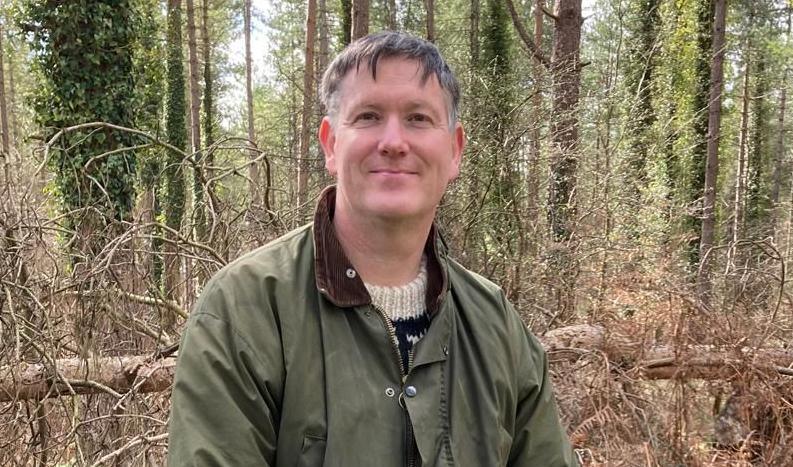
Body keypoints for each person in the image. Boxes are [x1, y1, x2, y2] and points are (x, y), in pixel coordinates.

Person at [168, 31, 578, 466]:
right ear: (331, 143)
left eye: (419, 118)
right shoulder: (246, 309)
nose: (394, 141)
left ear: (454, 150)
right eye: (368, 116)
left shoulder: (495, 325)